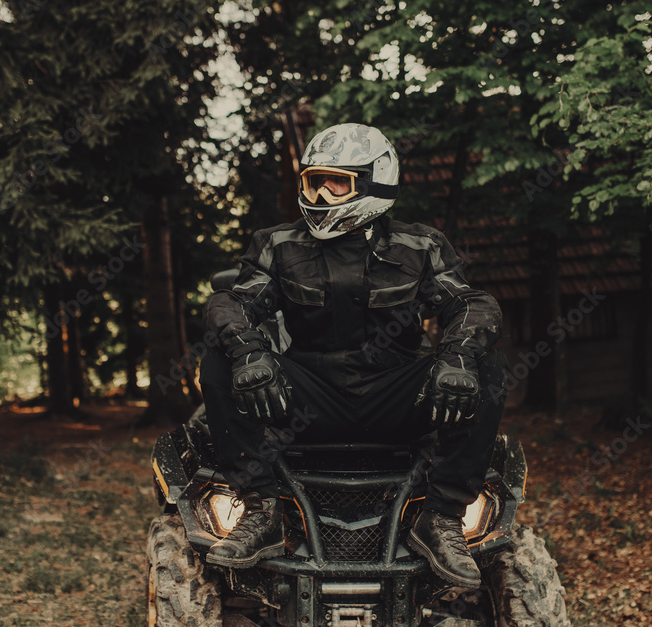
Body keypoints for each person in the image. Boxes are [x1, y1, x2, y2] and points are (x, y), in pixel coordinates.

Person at [199, 123, 508, 587]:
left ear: (374, 182)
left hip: (396, 398)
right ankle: (261, 511)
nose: (321, 195)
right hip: (308, 401)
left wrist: (459, 357)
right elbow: (232, 302)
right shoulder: (278, 244)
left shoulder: (420, 245)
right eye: (314, 182)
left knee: (488, 365)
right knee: (219, 358)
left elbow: (471, 303)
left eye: (336, 183)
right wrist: (248, 352)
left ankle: (442, 517)